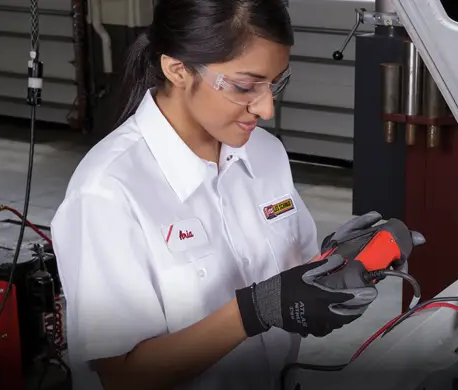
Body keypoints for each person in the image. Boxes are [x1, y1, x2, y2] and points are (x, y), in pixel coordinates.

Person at [49, 1, 421, 389]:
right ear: (177, 69)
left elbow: (285, 281)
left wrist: (336, 261)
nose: (266, 108)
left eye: (276, 82)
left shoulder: (265, 153)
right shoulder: (108, 192)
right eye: (245, 86)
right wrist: (252, 312)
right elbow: (123, 378)